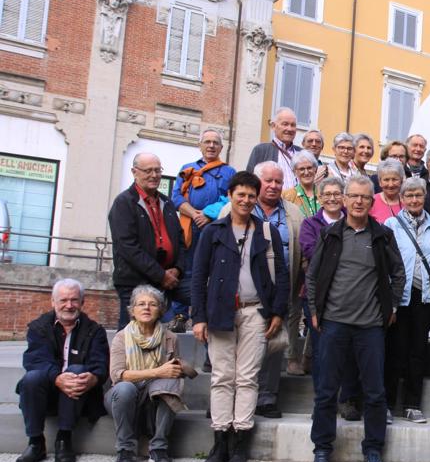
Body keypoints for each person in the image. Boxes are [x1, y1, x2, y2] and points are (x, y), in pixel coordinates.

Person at [307, 176, 405, 462]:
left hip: (370, 326)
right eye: (354, 196)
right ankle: (322, 449)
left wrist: (392, 306)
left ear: (371, 201)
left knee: (374, 392)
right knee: (326, 391)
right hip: (334, 324)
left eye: (365, 196)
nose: (359, 201)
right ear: (345, 200)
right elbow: (312, 276)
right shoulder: (330, 234)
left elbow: (398, 273)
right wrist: (314, 309)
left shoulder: (383, 235)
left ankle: (373, 449)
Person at [191, 171, 288, 462]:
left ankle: (239, 442)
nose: (245, 200)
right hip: (220, 312)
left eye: (250, 196)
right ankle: (219, 441)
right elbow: (197, 276)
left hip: (255, 312)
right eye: (240, 195)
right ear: (231, 196)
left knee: (247, 378)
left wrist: (277, 313)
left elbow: (282, 276)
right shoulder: (213, 232)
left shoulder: (267, 232)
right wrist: (198, 317)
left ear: (256, 199)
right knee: (222, 376)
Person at [383, 177, 430, 423]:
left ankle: (413, 404)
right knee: (395, 351)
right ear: (402, 199)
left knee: (418, 351)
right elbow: (385, 264)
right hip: (398, 297)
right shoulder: (391, 224)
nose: (414, 200)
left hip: (424, 297)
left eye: (418, 195)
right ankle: (387, 404)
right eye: (409, 195)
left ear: (425, 197)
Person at [15, 279, 109, 462]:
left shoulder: (95, 331)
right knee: (32, 377)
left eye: (74, 300)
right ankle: (35, 442)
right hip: (47, 394)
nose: (69, 305)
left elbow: (100, 364)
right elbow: (35, 360)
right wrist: (57, 378)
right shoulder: (39, 327)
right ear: (53, 302)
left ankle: (64, 439)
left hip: (80, 395)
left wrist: (94, 378)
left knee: (77, 371)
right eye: (63, 300)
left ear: (82, 302)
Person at [106, 285, 188, 462]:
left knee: (171, 382)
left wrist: (177, 369)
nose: (146, 308)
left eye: (152, 304)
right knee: (125, 388)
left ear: (160, 310)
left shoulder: (170, 338)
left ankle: (159, 448)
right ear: (132, 310)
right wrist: (157, 371)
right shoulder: (121, 337)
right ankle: (125, 451)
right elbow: (118, 375)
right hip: (122, 398)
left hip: (154, 396)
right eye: (141, 304)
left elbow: (172, 372)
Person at [109, 153, 189, 330]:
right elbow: (128, 247)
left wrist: (178, 269)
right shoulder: (124, 203)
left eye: (157, 170)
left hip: (169, 277)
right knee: (132, 334)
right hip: (135, 281)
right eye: (148, 171)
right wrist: (161, 275)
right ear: (134, 172)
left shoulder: (166, 202)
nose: (154, 175)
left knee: (203, 296)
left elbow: (180, 241)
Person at [245, 162, 306, 392]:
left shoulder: (293, 212)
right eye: (268, 181)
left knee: (275, 345)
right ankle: (246, 398)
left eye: (278, 181)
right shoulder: (241, 206)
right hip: (248, 291)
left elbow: (301, 250)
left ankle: (268, 397)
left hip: (282, 288)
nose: (273, 186)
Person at [170, 130, 236, 330]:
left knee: (212, 270)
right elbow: (176, 197)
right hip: (189, 228)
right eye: (207, 142)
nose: (211, 146)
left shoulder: (229, 172)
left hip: (214, 228)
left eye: (215, 143)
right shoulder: (187, 169)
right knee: (185, 269)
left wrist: (207, 214)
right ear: (200, 145)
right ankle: (180, 315)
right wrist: (194, 214)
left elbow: (230, 198)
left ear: (221, 148)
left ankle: (207, 313)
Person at [299, 176, 347, 392]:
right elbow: (310, 251)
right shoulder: (310, 224)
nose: (332, 198)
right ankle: (322, 398)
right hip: (316, 294)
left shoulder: (354, 221)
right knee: (321, 349)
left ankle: (345, 398)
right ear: (319, 198)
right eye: (327, 194)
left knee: (347, 349)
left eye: (337, 194)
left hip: (350, 294)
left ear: (344, 197)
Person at [245, 107, 301, 187]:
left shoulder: (301, 153)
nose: (289, 129)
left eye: (293, 125)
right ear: (273, 126)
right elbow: (249, 182)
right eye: (285, 124)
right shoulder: (261, 150)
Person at [283, 150, 321, 218]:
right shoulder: (286, 196)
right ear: (294, 172)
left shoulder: (325, 194)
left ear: (315, 169)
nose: (306, 172)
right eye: (301, 169)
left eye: (309, 168)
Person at [370, 160, 405, 224]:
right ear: (380, 182)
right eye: (386, 180)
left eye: (394, 179)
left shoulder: (409, 201)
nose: (391, 184)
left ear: (401, 181)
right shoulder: (371, 202)